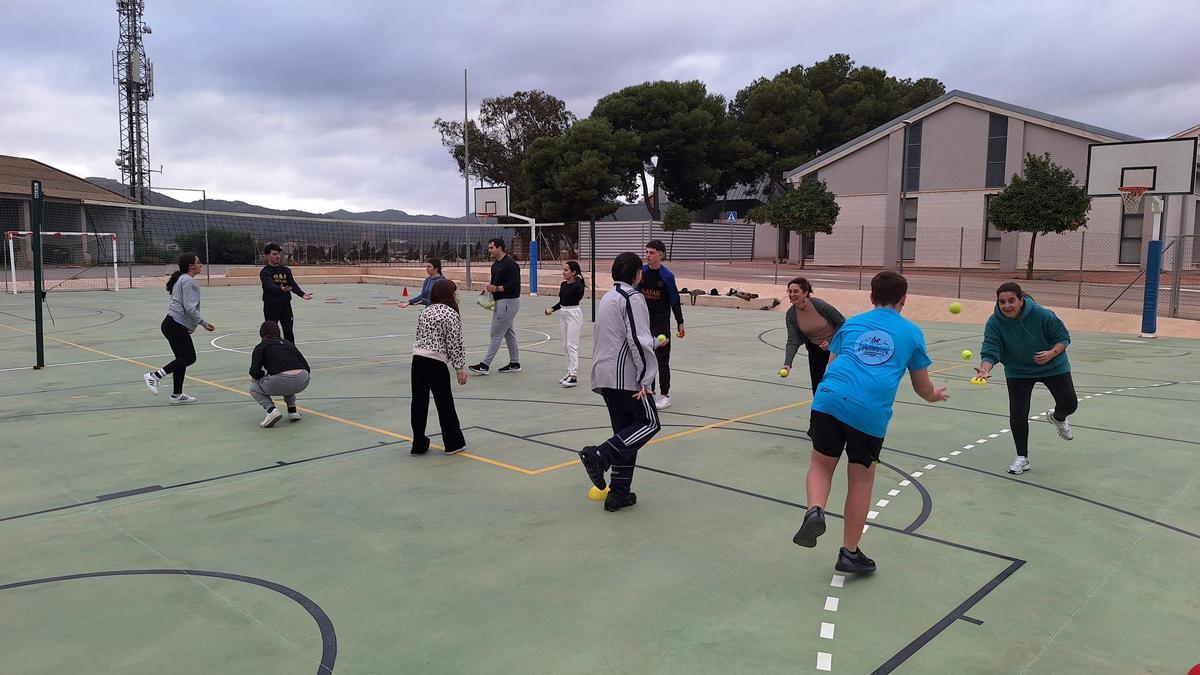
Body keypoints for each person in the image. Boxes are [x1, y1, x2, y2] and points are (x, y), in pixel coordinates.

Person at [791, 271, 949, 574]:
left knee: (822, 465)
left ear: (871, 297)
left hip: (828, 398)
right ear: (904, 299)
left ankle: (815, 510)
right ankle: (849, 552)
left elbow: (832, 365)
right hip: (868, 410)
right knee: (861, 479)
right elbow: (921, 387)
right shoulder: (911, 333)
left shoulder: (851, 325)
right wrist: (934, 396)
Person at [577, 252, 661, 512]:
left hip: (605, 375)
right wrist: (646, 377)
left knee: (626, 434)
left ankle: (619, 493)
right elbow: (637, 339)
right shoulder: (632, 297)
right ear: (637, 274)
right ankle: (600, 455)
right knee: (650, 423)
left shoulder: (609, 297)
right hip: (626, 376)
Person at [975, 282, 1077, 475]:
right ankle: (1022, 457)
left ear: (1021, 301)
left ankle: (1058, 417)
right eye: (1002, 302)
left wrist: (1051, 353)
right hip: (1018, 370)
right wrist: (984, 369)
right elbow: (990, 348)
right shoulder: (994, 322)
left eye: (1011, 300)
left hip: (1053, 365)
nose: (1006, 306)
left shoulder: (1042, 315)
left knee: (1070, 404)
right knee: (1018, 412)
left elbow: (1063, 338)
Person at [143, 253, 215, 404]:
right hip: (175, 324)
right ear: (191, 265)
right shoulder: (188, 281)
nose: (201, 264)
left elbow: (182, 305)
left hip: (171, 323)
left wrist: (191, 325)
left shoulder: (182, 279)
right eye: (198, 262)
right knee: (189, 358)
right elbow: (189, 307)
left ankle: (176, 394)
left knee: (181, 359)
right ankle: (154, 376)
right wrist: (203, 323)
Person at [410, 279, 468, 455]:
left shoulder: (425, 312)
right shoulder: (451, 314)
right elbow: (455, 343)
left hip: (418, 359)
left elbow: (420, 335)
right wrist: (459, 369)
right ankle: (453, 443)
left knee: (419, 403)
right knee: (444, 404)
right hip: (436, 362)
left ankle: (418, 443)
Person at [638, 239, 685, 410]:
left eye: (651, 253)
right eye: (647, 252)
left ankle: (664, 395)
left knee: (662, 360)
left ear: (660, 255)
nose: (647, 256)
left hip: (661, 324)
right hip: (644, 322)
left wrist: (680, 322)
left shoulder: (667, 276)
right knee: (645, 359)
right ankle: (649, 391)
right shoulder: (641, 272)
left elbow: (674, 300)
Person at [468, 237, 521, 375]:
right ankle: (515, 363)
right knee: (509, 333)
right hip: (502, 302)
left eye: (491, 247)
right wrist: (488, 290)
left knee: (495, 334)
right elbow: (494, 284)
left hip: (508, 302)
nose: (489, 250)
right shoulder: (495, 265)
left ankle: (484, 365)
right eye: (489, 247)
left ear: (500, 248)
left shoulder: (510, 264)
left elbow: (514, 286)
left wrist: (496, 289)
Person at [782, 277, 845, 390]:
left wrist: (831, 342)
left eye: (796, 291)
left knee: (839, 381)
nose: (792, 294)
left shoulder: (819, 305)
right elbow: (793, 341)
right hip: (815, 349)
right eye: (790, 291)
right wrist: (787, 363)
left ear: (805, 293)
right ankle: (819, 407)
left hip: (836, 347)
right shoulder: (791, 315)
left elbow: (841, 322)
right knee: (817, 385)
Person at [249, 321, 311, 428]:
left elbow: (254, 372)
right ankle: (292, 411)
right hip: (303, 379)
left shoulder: (261, 347)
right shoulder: (288, 344)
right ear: (279, 333)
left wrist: (261, 375)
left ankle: (271, 410)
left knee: (254, 389)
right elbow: (306, 366)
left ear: (261, 335)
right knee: (287, 380)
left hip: (280, 380)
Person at [260, 243, 312, 344]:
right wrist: (280, 289)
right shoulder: (265, 272)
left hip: (285, 306)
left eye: (279, 254)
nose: (278, 256)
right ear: (267, 256)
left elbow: (292, 284)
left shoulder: (286, 270)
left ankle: (290, 352)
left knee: (288, 331)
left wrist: (302, 294)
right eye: (274, 254)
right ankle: (271, 352)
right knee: (271, 334)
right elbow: (269, 286)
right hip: (271, 306)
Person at [545, 260, 586, 387]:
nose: (563, 272)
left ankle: (573, 375)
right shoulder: (563, 284)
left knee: (572, 345)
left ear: (573, 272)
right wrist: (552, 308)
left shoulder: (578, 285)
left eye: (566, 270)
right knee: (565, 345)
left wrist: (578, 277)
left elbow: (576, 290)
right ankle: (569, 372)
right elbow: (562, 301)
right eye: (563, 270)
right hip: (564, 313)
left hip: (574, 313)